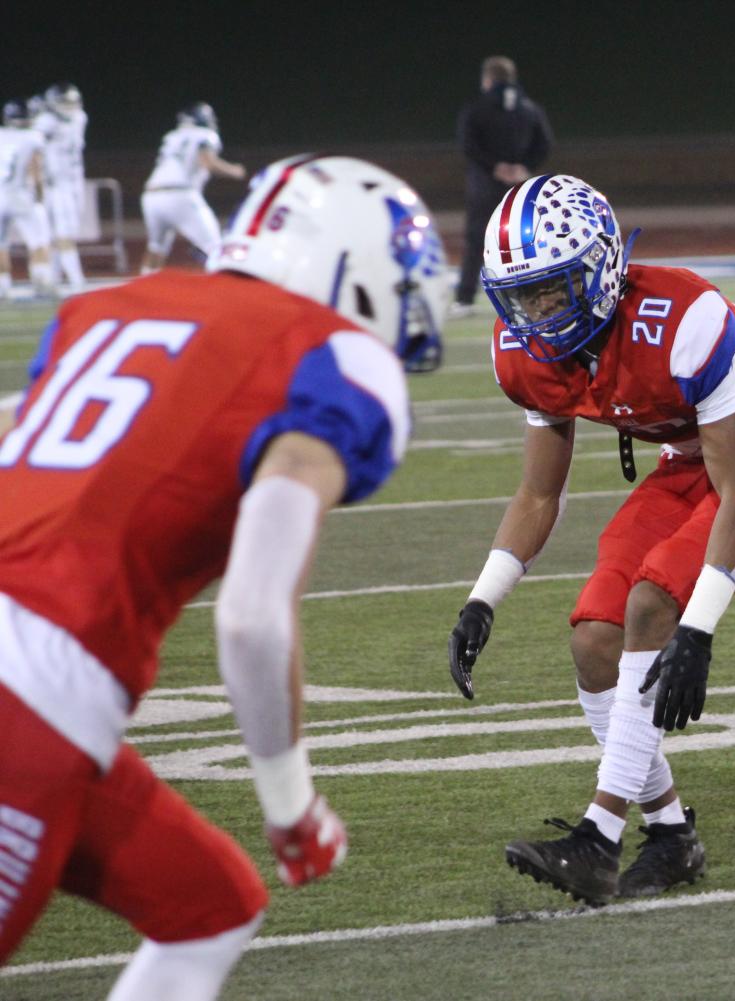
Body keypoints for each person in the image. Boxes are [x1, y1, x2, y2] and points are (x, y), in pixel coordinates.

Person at [0, 154, 447, 998]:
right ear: (351, 265)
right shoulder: (329, 360)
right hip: (32, 692)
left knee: (209, 902)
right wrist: (289, 802)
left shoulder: (103, 309)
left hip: (36, 687)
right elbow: (250, 613)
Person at [446, 174, 735, 906]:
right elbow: (538, 492)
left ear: (597, 268)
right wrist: (482, 598)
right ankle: (671, 832)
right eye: (520, 295)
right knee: (594, 635)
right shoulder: (526, 355)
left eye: (550, 290)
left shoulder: (680, 317)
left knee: (654, 599)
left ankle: (596, 838)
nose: (534, 311)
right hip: (689, 461)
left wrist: (700, 629)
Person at [453, 55, 553, 316]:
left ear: (487, 79)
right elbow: (545, 144)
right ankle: (530, 297)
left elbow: (467, 144)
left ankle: (465, 299)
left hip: (484, 185)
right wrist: (522, 167)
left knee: (477, 240)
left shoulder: (476, 108)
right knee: (521, 240)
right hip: (519, 186)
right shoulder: (529, 107)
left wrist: (494, 167)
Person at [140, 102, 247, 273]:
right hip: (179, 194)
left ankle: (140, 291)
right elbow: (207, 161)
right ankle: (223, 290)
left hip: (151, 195)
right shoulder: (205, 135)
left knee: (156, 248)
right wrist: (234, 171)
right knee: (215, 247)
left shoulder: (172, 136)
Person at [31, 83, 88, 294]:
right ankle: (76, 281)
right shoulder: (46, 121)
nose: (70, 106)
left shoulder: (79, 117)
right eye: (64, 102)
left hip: (73, 181)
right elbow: (33, 143)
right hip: (55, 183)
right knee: (62, 233)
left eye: (72, 102)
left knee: (65, 232)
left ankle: (54, 278)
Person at [0, 99, 54, 298]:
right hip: (20, 194)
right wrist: (39, 194)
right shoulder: (33, 137)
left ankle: (2, 289)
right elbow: (35, 168)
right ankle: (41, 284)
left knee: (1, 244)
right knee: (38, 241)